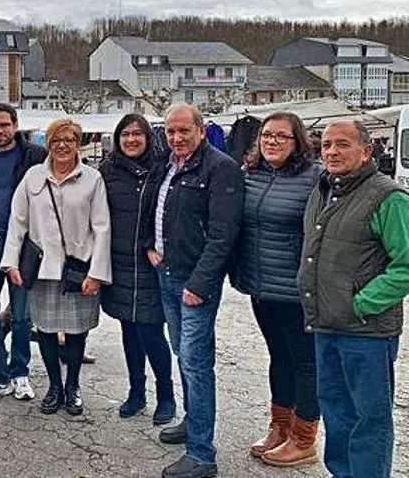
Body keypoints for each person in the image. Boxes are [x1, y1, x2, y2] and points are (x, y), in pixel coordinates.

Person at [298, 120, 409, 478]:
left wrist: (360, 303)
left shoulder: (387, 197)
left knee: (368, 420)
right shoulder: (324, 189)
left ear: (366, 151)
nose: (332, 152)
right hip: (326, 325)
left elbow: (405, 265)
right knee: (336, 412)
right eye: (327, 145)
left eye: (343, 144)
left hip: (366, 332)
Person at [149, 104, 242, 478]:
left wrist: (200, 284)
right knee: (182, 354)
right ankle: (192, 421)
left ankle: (202, 454)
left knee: (196, 363)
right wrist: (149, 247)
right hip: (167, 274)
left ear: (202, 131)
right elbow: (156, 210)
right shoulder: (168, 163)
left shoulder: (220, 168)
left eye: (184, 130)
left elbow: (223, 234)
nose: (177, 138)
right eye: (171, 131)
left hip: (194, 283)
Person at [1, 118, 111, 416]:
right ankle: (54, 386)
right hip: (42, 269)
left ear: (78, 143)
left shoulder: (92, 179)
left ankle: (72, 386)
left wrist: (97, 273)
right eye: (56, 140)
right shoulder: (33, 177)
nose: (63, 145)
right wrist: (11, 263)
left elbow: (102, 228)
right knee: (46, 330)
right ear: (48, 144)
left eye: (69, 140)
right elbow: (17, 222)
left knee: (76, 331)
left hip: (78, 269)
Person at [230, 112, 322, 467]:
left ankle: (304, 437)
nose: (272, 141)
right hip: (261, 286)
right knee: (278, 357)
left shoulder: (314, 177)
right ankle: (279, 426)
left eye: (282, 136)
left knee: (305, 363)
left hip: (297, 291)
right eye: (267, 135)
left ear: (297, 141)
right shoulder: (251, 174)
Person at [98, 114, 176, 425]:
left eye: (137, 134)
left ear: (148, 137)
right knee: (129, 331)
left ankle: (166, 395)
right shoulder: (108, 170)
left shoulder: (163, 168)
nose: (131, 140)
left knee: (152, 331)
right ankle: (136, 391)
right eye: (125, 135)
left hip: (150, 264)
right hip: (119, 262)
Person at [0, 103, 46, 403]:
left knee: (22, 316)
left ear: (15, 125)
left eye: (5, 124)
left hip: (23, 245)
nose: (0, 130)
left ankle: (20, 373)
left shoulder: (34, 156)